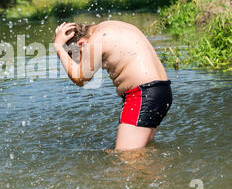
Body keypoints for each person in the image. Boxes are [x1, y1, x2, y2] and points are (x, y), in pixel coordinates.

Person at [53, 21, 172, 150]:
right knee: (142, 152)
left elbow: (80, 78)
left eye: (78, 59)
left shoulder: (96, 40)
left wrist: (59, 47)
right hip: (162, 91)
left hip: (142, 95)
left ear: (81, 44)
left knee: (126, 159)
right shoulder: (112, 26)